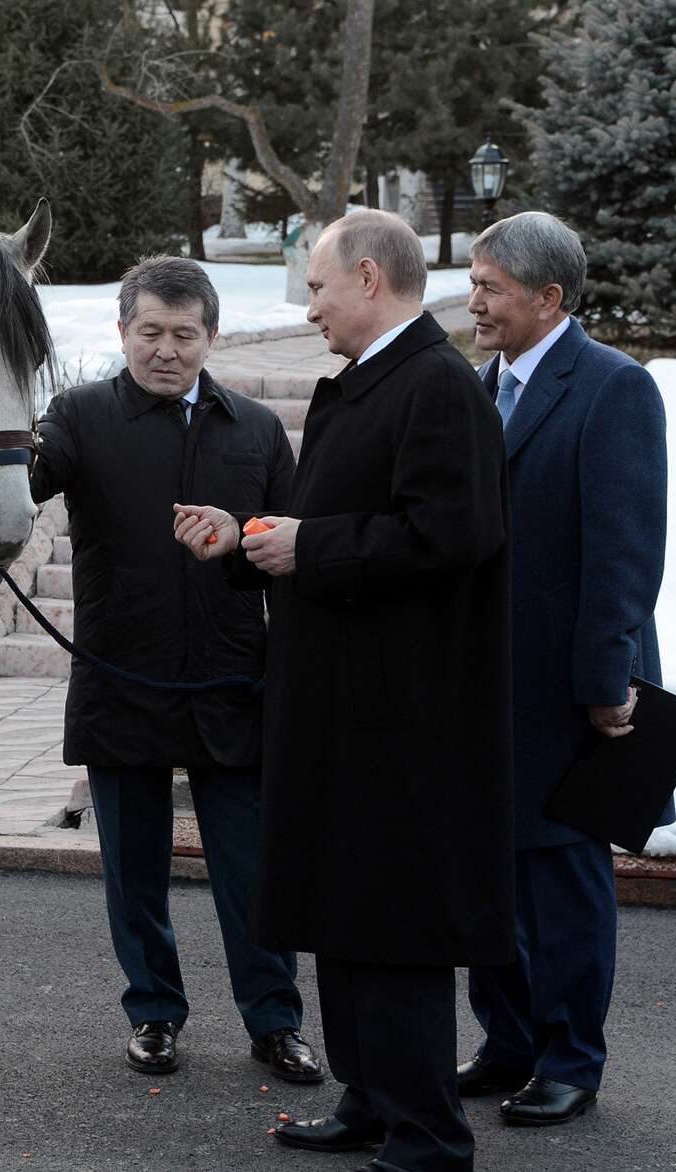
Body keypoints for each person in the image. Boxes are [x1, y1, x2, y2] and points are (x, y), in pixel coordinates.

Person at [0, 256, 320, 1084]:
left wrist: (241, 540)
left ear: (211, 336)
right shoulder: (79, 416)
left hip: (231, 680)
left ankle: (275, 1023)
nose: (165, 351)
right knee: (135, 873)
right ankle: (154, 1015)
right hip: (121, 679)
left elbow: (287, 552)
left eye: (183, 334)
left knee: (252, 872)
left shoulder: (254, 430)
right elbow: (22, 481)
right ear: (122, 332)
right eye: (149, 333)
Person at [175, 209, 514, 1172]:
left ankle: (428, 1135)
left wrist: (308, 544)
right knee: (345, 914)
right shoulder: (372, 383)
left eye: (318, 287)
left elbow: (450, 535)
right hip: (340, 706)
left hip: (402, 717)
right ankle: (373, 1101)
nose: (309, 307)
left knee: (394, 928)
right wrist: (246, 542)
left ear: (369, 278)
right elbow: (337, 530)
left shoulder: (437, 388)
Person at [456, 210, 667, 1126]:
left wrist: (606, 681)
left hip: (574, 686)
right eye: (472, 284)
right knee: (485, 876)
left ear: (549, 299)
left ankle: (572, 1058)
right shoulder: (476, 384)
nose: (474, 302)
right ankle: (508, 1041)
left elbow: (625, 551)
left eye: (490, 289)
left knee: (563, 883)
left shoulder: (615, 389)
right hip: (482, 684)